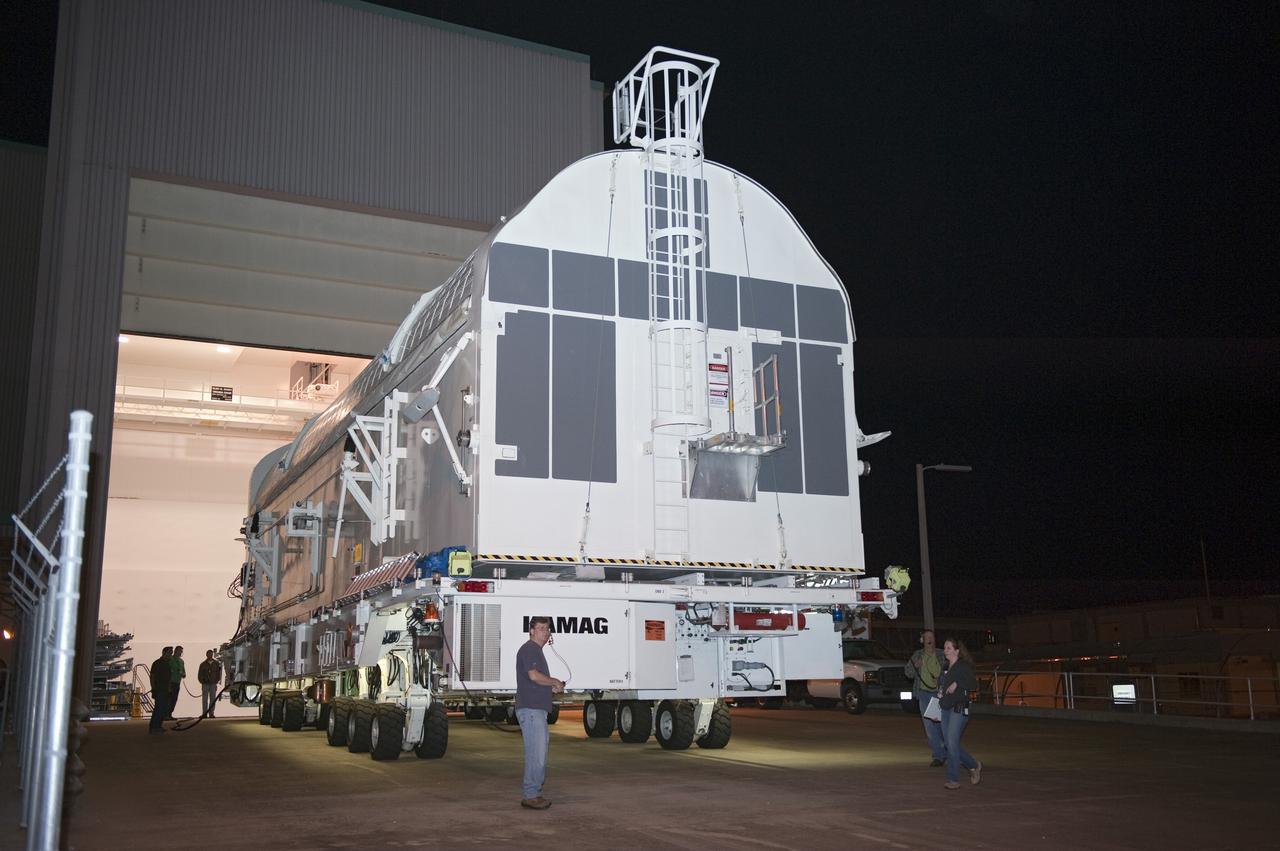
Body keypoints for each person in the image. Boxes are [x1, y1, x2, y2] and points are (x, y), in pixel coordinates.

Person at [514, 616, 564, 810]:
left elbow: (534, 680)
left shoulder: (535, 651)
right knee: (537, 754)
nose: (546, 632)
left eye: (547, 628)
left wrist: (550, 688)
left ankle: (532, 792)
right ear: (532, 631)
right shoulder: (530, 649)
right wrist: (554, 681)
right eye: (541, 628)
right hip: (532, 710)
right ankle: (531, 794)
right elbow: (534, 676)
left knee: (537, 752)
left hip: (535, 709)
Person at [937, 638, 982, 790]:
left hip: (959, 708)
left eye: (949, 647)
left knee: (951, 742)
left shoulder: (962, 666)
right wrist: (940, 691)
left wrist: (958, 684)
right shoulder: (945, 667)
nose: (946, 650)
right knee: (950, 743)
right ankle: (974, 765)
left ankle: (953, 779)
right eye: (945, 647)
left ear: (957, 651)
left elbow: (973, 684)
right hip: (945, 708)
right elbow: (941, 684)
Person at [904, 629, 948, 766]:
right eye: (927, 637)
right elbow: (908, 673)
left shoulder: (942, 654)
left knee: (942, 725)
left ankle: (948, 751)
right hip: (923, 694)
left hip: (938, 694)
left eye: (932, 637)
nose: (930, 640)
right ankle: (938, 756)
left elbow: (949, 671)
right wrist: (915, 666)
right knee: (929, 727)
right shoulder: (918, 655)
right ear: (922, 640)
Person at [148, 647, 174, 734]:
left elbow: (169, 678)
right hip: (159, 689)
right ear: (164, 652)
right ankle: (154, 727)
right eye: (170, 653)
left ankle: (157, 726)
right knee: (159, 709)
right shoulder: (157, 663)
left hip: (166, 690)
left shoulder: (167, 664)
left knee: (162, 709)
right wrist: (153, 688)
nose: (171, 655)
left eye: (171, 653)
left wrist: (170, 689)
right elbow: (152, 676)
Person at [198, 650, 222, 718]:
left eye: (211, 654)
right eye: (209, 654)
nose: (210, 655)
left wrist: (216, 681)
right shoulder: (202, 664)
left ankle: (211, 713)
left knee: (213, 699)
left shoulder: (216, 664)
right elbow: (199, 675)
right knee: (204, 700)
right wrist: (202, 681)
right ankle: (204, 713)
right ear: (206, 655)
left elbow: (218, 673)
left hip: (213, 684)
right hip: (205, 684)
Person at [168, 646, 186, 720]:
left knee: (174, 699)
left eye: (181, 651)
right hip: (170, 682)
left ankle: (170, 714)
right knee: (168, 699)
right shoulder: (170, 659)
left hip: (177, 682)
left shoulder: (181, 661)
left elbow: (184, 673)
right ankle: (165, 714)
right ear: (175, 651)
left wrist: (183, 674)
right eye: (179, 651)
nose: (181, 653)